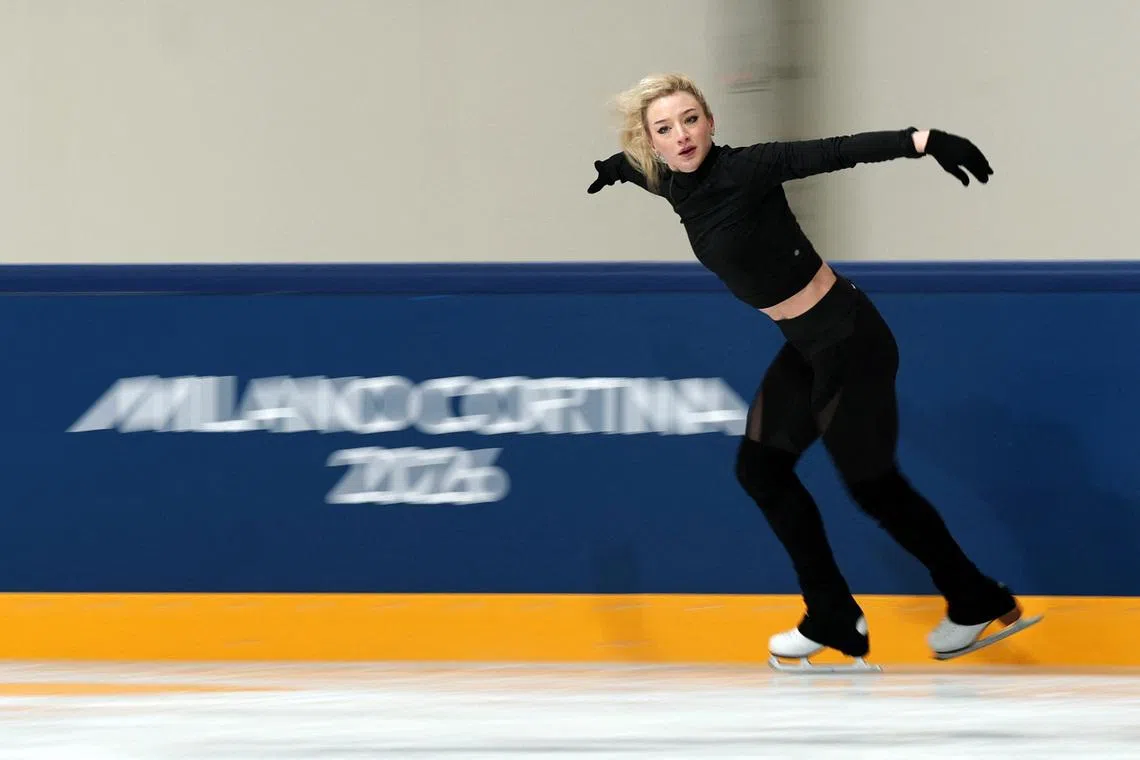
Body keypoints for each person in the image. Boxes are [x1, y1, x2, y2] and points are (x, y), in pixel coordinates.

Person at [586, 73, 1040, 670]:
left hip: (849, 337)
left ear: (712, 121)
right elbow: (635, 166)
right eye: (664, 128)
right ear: (653, 143)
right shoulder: (668, 181)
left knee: (871, 485)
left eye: (691, 118)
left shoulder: (749, 167)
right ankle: (830, 613)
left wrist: (926, 140)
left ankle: (975, 597)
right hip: (805, 345)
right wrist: (615, 166)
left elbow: (837, 151)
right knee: (761, 470)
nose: (681, 135)